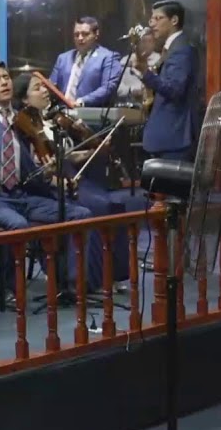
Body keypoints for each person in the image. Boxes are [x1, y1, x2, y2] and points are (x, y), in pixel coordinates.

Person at [0, 35, 90, 301]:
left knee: (80, 214)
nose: (4, 82)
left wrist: (46, 172)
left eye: (6, 78)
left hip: (23, 194)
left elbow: (28, 163)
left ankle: (70, 285)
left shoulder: (24, 119)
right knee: (19, 226)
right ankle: (13, 288)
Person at [13, 73, 136, 293]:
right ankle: (91, 279)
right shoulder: (26, 129)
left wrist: (93, 148)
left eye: (44, 86)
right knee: (99, 206)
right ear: (24, 99)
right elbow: (32, 166)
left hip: (73, 177)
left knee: (116, 206)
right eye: (37, 88)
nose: (45, 91)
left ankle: (113, 274)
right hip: (54, 184)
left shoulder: (54, 120)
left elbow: (69, 156)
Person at [134, 0, 199, 161]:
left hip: (175, 136)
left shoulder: (182, 50)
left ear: (174, 20)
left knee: (170, 186)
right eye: (151, 19)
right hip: (167, 135)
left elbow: (175, 90)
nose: (152, 24)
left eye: (158, 18)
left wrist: (145, 72)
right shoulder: (170, 48)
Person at [48, 17, 121, 108]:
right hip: (60, 113)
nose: (80, 38)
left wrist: (81, 102)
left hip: (89, 114)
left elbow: (108, 88)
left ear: (96, 34)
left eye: (85, 34)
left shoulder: (108, 57)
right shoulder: (63, 58)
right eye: (76, 34)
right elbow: (52, 85)